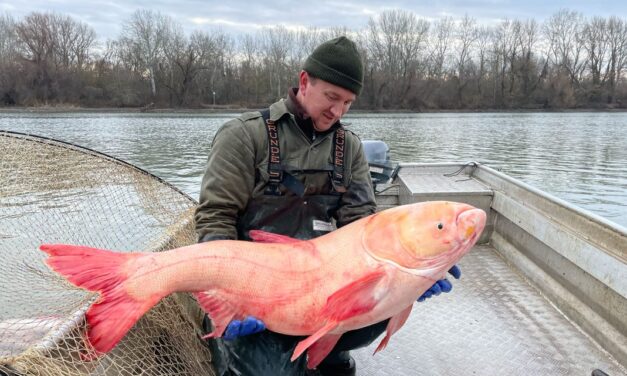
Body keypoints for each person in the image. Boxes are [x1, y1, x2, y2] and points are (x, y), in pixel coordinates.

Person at [194, 36, 460, 376]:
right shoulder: (244, 136)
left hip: (321, 287)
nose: (337, 111)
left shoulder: (349, 148)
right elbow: (215, 219)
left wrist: (412, 274)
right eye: (331, 97)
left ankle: (327, 348)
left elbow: (364, 226)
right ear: (304, 82)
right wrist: (228, 295)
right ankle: (239, 342)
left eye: (348, 103)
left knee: (380, 310)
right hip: (255, 294)